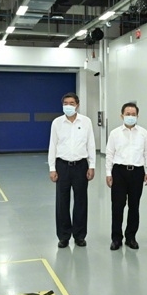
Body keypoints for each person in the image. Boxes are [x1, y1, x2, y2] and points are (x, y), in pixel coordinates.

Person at [48, 92, 96, 248]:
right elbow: (52, 146)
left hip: (81, 166)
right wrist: (52, 168)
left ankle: (79, 235)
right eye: (65, 103)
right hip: (62, 166)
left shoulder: (86, 122)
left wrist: (92, 165)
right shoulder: (57, 123)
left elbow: (91, 144)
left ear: (77, 105)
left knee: (81, 201)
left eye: (71, 103)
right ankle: (64, 236)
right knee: (62, 202)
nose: (68, 106)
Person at [105, 102, 147, 251]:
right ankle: (116, 238)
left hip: (137, 172)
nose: (130, 117)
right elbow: (109, 154)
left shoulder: (144, 133)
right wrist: (108, 173)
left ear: (137, 116)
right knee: (117, 206)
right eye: (127, 114)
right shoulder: (115, 133)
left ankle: (131, 237)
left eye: (133, 114)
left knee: (134, 206)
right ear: (122, 116)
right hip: (119, 172)